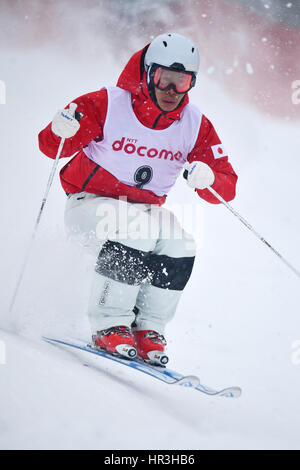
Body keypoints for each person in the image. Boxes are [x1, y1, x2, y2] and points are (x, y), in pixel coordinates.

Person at [39, 33, 237, 366]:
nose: (171, 91)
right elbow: (49, 147)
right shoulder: (108, 103)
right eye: (164, 80)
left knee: (181, 243)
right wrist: (60, 130)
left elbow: (226, 187)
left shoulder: (194, 125)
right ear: (148, 73)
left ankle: (148, 329)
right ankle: (108, 323)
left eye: (182, 82)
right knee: (136, 230)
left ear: (192, 82)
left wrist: (210, 178)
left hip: (144, 211)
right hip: (88, 204)